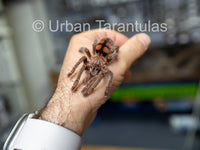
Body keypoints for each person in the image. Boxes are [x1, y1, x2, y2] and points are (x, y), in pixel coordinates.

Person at [4, 29, 151, 150]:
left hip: (105, 52)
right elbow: (83, 61)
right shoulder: (88, 59)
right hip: (99, 52)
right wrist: (73, 77)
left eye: (96, 68)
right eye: (92, 67)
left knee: (103, 73)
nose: (93, 70)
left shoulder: (105, 64)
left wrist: (105, 86)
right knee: (83, 62)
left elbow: (110, 75)